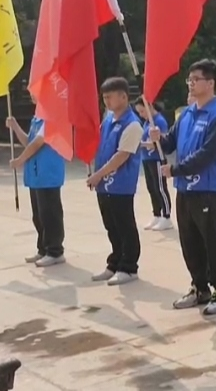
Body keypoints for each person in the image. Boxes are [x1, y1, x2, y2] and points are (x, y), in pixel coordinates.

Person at [151, 60, 216, 315]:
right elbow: (170, 143)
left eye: (196, 79)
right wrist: (158, 139)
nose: (191, 83)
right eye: (190, 79)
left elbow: (207, 154)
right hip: (185, 190)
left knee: (213, 242)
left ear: (210, 83)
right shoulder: (187, 114)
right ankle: (199, 287)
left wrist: (176, 169)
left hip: (208, 189)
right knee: (189, 241)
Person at [87, 77, 143, 286]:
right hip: (104, 184)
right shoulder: (108, 120)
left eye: (110, 97)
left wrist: (98, 175)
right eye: (104, 98)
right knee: (111, 226)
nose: (106, 101)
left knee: (124, 226)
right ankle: (115, 262)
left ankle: (129, 267)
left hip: (121, 185)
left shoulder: (132, 124)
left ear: (123, 97)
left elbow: (122, 156)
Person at [7, 103, 66, 267]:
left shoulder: (52, 117)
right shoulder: (37, 119)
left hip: (48, 173)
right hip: (36, 174)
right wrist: (15, 127)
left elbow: (38, 142)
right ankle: (43, 248)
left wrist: (20, 160)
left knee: (50, 214)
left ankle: (55, 251)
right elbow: (29, 141)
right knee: (39, 215)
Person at [135, 98, 172, 231]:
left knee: (160, 188)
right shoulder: (146, 122)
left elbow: (159, 142)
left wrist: (141, 144)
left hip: (157, 159)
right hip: (147, 159)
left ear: (150, 107)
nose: (141, 115)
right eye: (139, 112)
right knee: (152, 188)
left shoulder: (159, 121)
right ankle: (157, 214)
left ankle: (166, 216)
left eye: (142, 111)